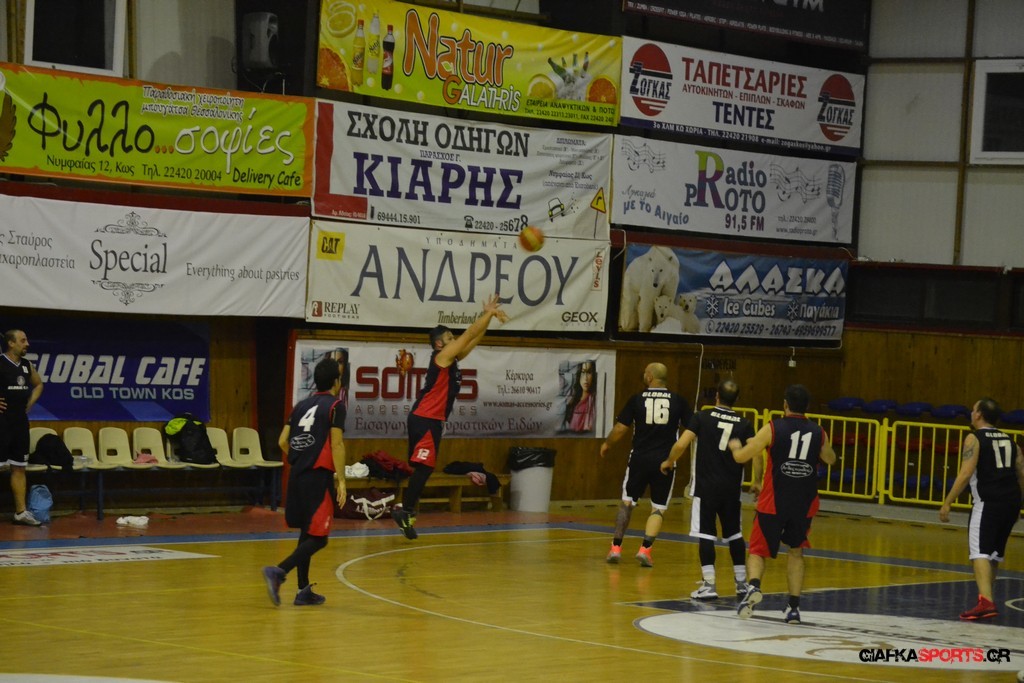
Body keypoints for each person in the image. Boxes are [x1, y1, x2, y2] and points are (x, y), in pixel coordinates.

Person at [391, 294, 508, 540]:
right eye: (449, 338)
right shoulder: (441, 358)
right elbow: (468, 333)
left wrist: (488, 317)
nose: (454, 340)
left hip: (430, 420)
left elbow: (474, 338)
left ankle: (406, 511)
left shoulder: (452, 359)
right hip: (425, 418)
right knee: (424, 467)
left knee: (423, 468)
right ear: (439, 344)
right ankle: (405, 510)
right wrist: (487, 313)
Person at [729, 384, 836, 624]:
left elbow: (742, 456)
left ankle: (754, 586)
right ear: (806, 407)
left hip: (774, 501)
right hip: (804, 502)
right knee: (796, 552)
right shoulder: (818, 431)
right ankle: (793, 608)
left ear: (785, 404)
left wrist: (735, 448)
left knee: (758, 551)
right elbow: (830, 459)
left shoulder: (773, 428)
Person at [262, 357, 347, 607]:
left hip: (297, 475)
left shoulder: (300, 405)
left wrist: (300, 457)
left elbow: (282, 441)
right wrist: (342, 481)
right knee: (319, 538)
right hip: (318, 477)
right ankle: (278, 571)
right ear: (336, 382)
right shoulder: (335, 406)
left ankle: (303, 590)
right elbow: (337, 444)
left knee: (307, 532)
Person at [661, 379, 756, 599]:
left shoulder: (702, 417)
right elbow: (756, 454)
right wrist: (757, 480)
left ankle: (709, 584)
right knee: (735, 534)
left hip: (706, 488)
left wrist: (669, 461)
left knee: (705, 534)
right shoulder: (744, 424)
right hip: (731, 489)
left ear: (717, 396)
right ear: (737, 399)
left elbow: (681, 444)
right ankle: (741, 583)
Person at [938, 398, 1024, 620]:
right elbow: (1021, 473)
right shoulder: (1011, 441)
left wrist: (948, 502)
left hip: (988, 502)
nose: (971, 412)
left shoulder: (974, 438)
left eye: (973, 409)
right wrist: (1019, 505)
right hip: (1011, 502)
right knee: (993, 554)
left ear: (978, 415)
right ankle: (987, 598)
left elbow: (965, 473)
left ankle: (985, 602)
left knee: (979, 552)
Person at [599, 362, 690, 567]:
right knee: (658, 508)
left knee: (627, 502)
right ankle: (645, 550)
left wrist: (607, 444)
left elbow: (621, 428)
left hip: (639, 459)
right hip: (665, 462)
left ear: (649, 377)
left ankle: (615, 548)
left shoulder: (637, 399)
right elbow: (691, 429)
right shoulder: (678, 401)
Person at [1, 329, 45, 526]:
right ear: (11, 343)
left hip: (19, 423)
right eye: (23, 340)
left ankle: (20, 512)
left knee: (19, 467)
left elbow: (39, 385)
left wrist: (30, 403)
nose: (27, 344)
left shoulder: (27, 365)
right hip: (1, 422)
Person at [563, 360, 597, 433]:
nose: (586, 378)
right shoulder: (573, 399)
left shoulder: (593, 401)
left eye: (589, 372)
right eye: (583, 372)